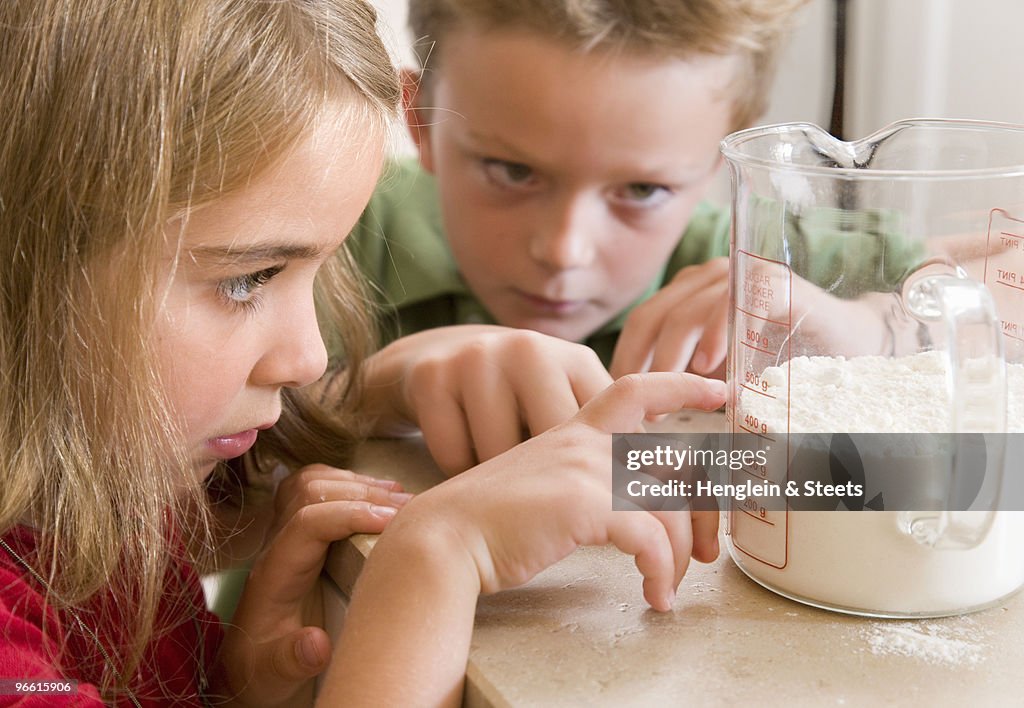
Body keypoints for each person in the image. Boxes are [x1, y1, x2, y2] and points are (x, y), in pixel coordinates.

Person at [0, 1, 726, 705]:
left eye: (641, 188)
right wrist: (435, 558)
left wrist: (230, 690)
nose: (311, 358)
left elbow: (831, 473)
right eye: (247, 280)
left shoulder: (104, 492)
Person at [350, 0, 810, 379]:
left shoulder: (764, 258)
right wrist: (363, 394)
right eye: (511, 171)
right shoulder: (327, 238)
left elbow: (882, 284)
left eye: (642, 189)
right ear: (421, 121)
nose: (563, 252)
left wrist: (868, 327)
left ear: (724, 158)